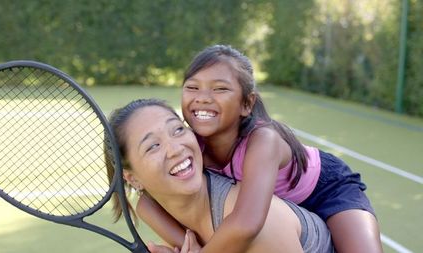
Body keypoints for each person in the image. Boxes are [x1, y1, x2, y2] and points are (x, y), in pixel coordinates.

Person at [137, 45, 383, 253]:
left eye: (220, 89)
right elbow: (146, 203)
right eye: (192, 87)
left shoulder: (264, 140)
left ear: (247, 103)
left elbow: (247, 223)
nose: (202, 97)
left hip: (329, 190)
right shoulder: (189, 144)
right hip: (280, 211)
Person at [106, 98, 334, 253]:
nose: (175, 149)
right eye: (152, 146)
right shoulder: (152, 208)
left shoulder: (259, 222)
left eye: (177, 130)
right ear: (132, 178)